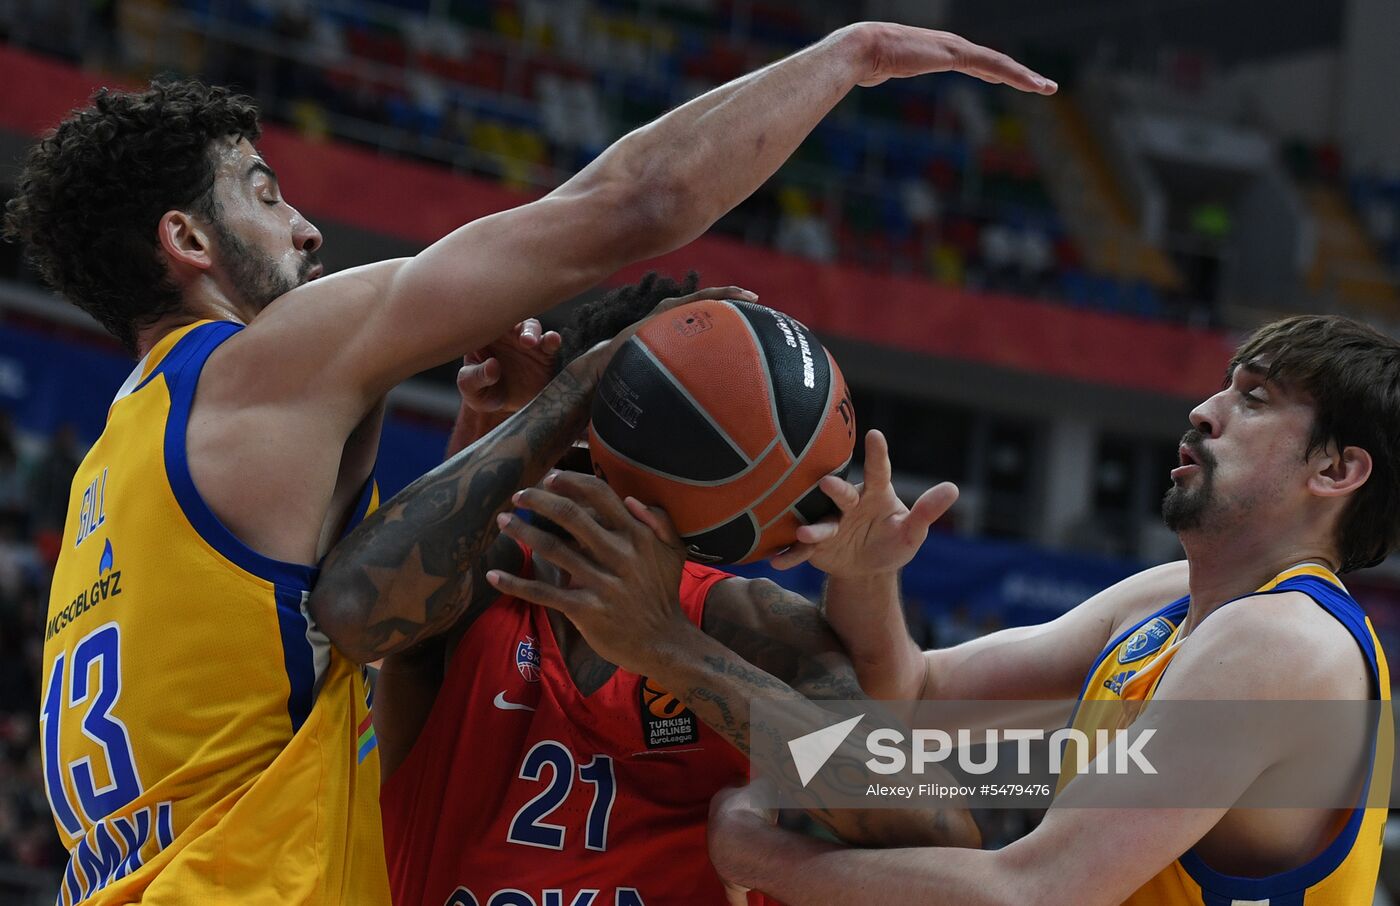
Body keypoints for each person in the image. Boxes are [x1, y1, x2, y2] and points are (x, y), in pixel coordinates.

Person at [3, 24, 1053, 902]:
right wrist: (849, 56)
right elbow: (631, 205)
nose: (308, 229)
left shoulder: (115, 462)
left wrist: (783, 613)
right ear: (187, 240)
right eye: (265, 194)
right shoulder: (257, 375)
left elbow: (926, 806)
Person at [311, 274, 978, 906]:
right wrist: (569, 394)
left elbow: (939, 831)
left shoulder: (746, 625)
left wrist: (667, 649)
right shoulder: (482, 594)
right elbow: (347, 612)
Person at [693, 314, 1398, 905]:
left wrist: (760, 858)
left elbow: (1035, 892)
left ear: (1334, 470)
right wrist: (866, 574)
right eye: (1223, 387)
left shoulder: (1287, 645)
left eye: (1255, 398)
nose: (1203, 411)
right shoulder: (1167, 601)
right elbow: (914, 697)